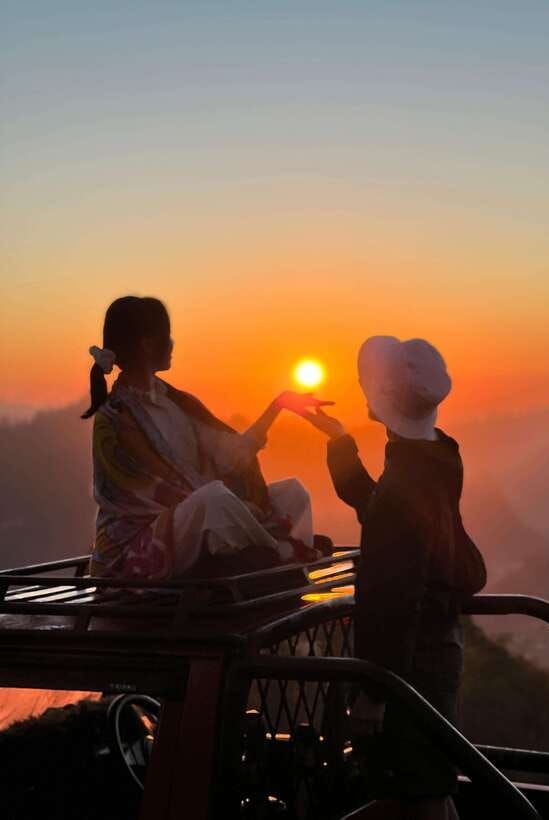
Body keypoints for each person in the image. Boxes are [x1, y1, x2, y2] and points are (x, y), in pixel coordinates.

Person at [299, 336, 486, 820]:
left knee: (417, 793)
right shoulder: (439, 456)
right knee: (431, 785)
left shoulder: (406, 480)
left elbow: (393, 599)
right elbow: (377, 506)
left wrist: (373, 693)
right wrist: (338, 440)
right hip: (437, 651)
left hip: (411, 666)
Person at [82, 295, 331, 581]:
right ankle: (282, 556)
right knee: (215, 501)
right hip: (134, 552)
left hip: (190, 519)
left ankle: (274, 555)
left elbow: (231, 456)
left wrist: (278, 407)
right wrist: (234, 505)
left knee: (293, 493)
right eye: (167, 336)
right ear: (147, 343)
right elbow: (156, 493)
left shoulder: (178, 403)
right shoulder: (115, 418)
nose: (172, 344)